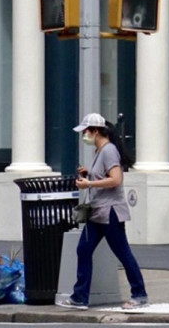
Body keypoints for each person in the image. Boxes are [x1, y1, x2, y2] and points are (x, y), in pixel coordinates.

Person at [58, 113, 148, 311]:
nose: (84, 136)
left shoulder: (108, 151)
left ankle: (139, 294)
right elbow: (105, 176)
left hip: (110, 212)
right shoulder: (101, 151)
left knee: (122, 252)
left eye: (85, 131)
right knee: (83, 249)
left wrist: (88, 182)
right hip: (99, 212)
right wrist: (89, 173)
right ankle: (80, 297)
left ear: (95, 131)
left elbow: (115, 179)